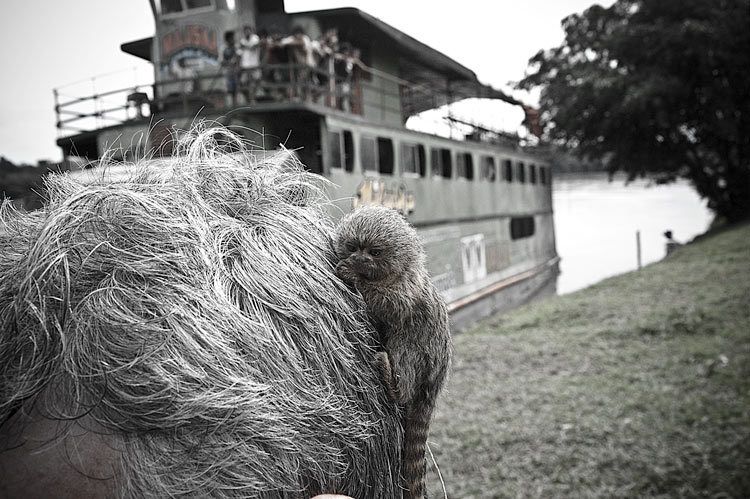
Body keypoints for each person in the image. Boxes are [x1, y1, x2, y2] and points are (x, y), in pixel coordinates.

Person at [280, 26, 316, 100]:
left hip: (308, 63)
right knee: (298, 80)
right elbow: (283, 42)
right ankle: (298, 96)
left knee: (305, 81)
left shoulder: (305, 38)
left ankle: (307, 97)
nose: (298, 36)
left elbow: (300, 43)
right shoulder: (292, 38)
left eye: (299, 34)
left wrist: (289, 43)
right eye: (296, 34)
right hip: (298, 65)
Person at [238, 25, 261, 104]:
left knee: (255, 82)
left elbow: (254, 47)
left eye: (248, 30)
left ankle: (253, 99)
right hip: (245, 66)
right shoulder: (242, 40)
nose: (247, 32)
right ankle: (249, 99)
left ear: (251, 31)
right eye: (245, 31)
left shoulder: (255, 38)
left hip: (254, 65)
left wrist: (245, 46)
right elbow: (239, 53)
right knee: (242, 83)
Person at [221, 30, 240, 107]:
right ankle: (232, 104)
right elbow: (221, 61)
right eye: (232, 38)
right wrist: (229, 62)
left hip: (236, 70)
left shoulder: (236, 47)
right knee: (230, 88)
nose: (233, 40)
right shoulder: (223, 48)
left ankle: (237, 103)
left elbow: (239, 57)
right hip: (228, 71)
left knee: (237, 88)